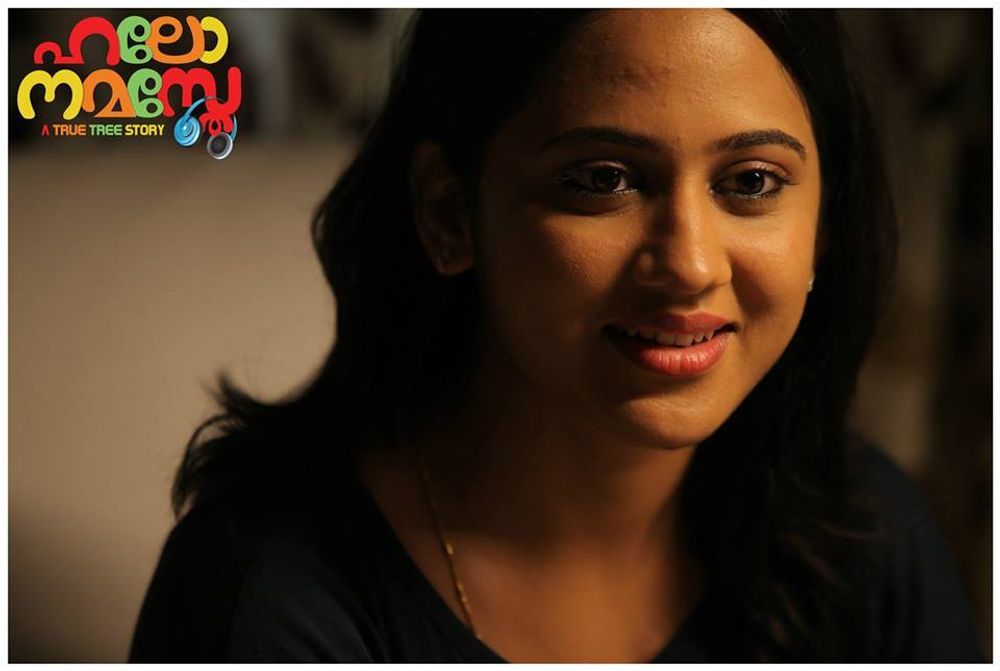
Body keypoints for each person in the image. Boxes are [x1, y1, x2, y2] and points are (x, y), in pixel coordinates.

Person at [128, 9, 985, 663]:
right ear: (450, 212)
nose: (689, 264)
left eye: (752, 182)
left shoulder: (864, 533)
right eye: (604, 179)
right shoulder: (270, 600)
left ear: (823, 226)